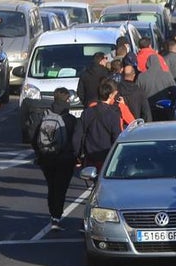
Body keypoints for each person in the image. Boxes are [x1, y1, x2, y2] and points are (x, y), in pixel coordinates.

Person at [33, 87, 78, 230]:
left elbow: (35, 139)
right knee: (61, 188)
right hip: (65, 159)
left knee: (51, 186)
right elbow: (76, 139)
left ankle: (53, 213)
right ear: (67, 101)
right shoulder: (70, 119)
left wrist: (40, 153)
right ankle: (56, 216)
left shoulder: (45, 117)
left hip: (46, 158)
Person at [72, 79, 123, 173]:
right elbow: (116, 137)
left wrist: (78, 155)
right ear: (111, 95)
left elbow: (77, 136)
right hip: (107, 156)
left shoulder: (87, 113)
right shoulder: (113, 115)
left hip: (90, 155)